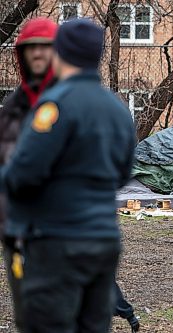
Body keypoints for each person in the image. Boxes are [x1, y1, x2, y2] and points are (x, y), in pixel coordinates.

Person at [0, 18, 136, 332]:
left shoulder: (55, 105)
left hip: (57, 240)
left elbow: (23, 173)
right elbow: (123, 173)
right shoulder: (117, 108)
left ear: (61, 53)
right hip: (104, 239)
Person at [0, 17, 58, 330]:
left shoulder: (74, 101)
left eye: (44, 47)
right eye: (30, 48)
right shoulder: (13, 108)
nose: (37, 53)